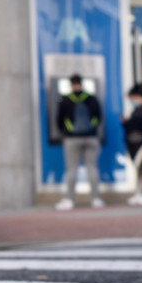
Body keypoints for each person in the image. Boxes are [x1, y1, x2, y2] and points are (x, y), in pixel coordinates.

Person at [55, 74, 105, 211]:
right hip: (91, 138)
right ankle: (96, 199)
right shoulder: (91, 98)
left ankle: (69, 200)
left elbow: (59, 120)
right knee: (92, 168)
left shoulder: (65, 100)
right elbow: (99, 117)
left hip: (72, 139)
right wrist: (92, 129)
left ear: (71, 84)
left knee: (72, 169)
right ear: (82, 84)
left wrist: (65, 131)